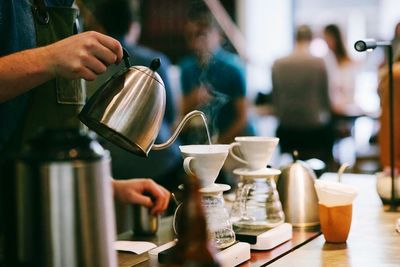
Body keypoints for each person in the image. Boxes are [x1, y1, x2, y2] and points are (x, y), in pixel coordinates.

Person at [0, 0, 170, 218]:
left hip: (53, 215)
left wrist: (108, 187)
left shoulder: (66, 11)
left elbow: (56, 128)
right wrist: (50, 58)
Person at [92, 0, 183, 194]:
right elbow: (171, 117)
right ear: (134, 26)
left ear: (99, 25)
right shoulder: (156, 61)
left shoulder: (89, 63)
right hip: (159, 164)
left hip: (110, 170)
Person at [179, 2, 254, 145]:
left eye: (202, 34)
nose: (197, 41)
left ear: (218, 35)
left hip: (231, 142)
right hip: (200, 142)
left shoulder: (233, 68)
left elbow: (242, 118)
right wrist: (193, 98)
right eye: (192, 35)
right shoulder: (187, 67)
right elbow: (184, 115)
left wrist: (218, 145)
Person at [272, 25, 334, 164]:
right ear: (311, 38)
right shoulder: (318, 62)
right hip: (313, 127)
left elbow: (275, 98)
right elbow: (326, 98)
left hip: (287, 128)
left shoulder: (278, 63)